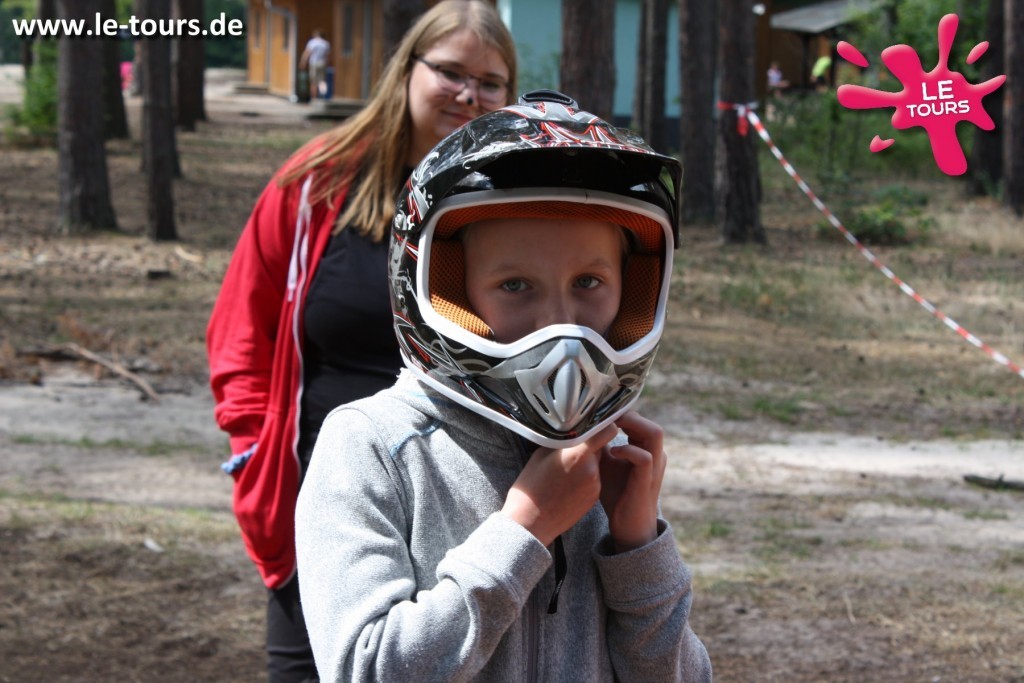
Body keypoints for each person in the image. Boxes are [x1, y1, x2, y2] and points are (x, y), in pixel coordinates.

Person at [294, 90, 713, 682]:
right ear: (448, 291)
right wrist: (525, 530)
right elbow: (365, 669)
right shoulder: (372, 447)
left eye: (589, 282)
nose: (559, 322)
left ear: (634, 290)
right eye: (516, 286)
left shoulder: (606, 458)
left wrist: (638, 547)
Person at [205, 2, 517, 681]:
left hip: (462, 510)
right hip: (320, 501)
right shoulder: (316, 182)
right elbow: (241, 330)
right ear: (407, 71)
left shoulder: (514, 202)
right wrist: (252, 450)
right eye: (451, 72)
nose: (469, 95)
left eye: (491, 82)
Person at [299, 29, 331, 101]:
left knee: (313, 81)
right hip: (322, 63)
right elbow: (328, 56)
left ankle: (314, 98)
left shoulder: (312, 42)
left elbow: (307, 53)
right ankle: (323, 96)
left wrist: (303, 62)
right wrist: (328, 64)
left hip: (314, 62)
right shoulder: (326, 43)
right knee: (322, 80)